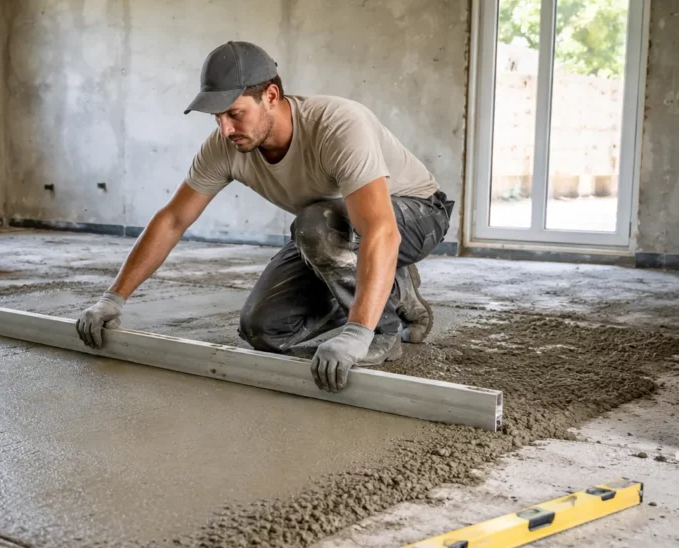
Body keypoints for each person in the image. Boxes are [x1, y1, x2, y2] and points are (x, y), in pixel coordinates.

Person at [76, 41, 453, 394]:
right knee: (263, 329)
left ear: (270, 96)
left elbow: (381, 230)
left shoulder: (337, 124)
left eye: (235, 114)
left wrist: (357, 331)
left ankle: (381, 332)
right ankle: (395, 287)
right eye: (217, 117)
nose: (225, 129)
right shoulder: (225, 147)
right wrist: (113, 298)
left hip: (416, 213)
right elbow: (173, 219)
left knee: (315, 225)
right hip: (338, 231)